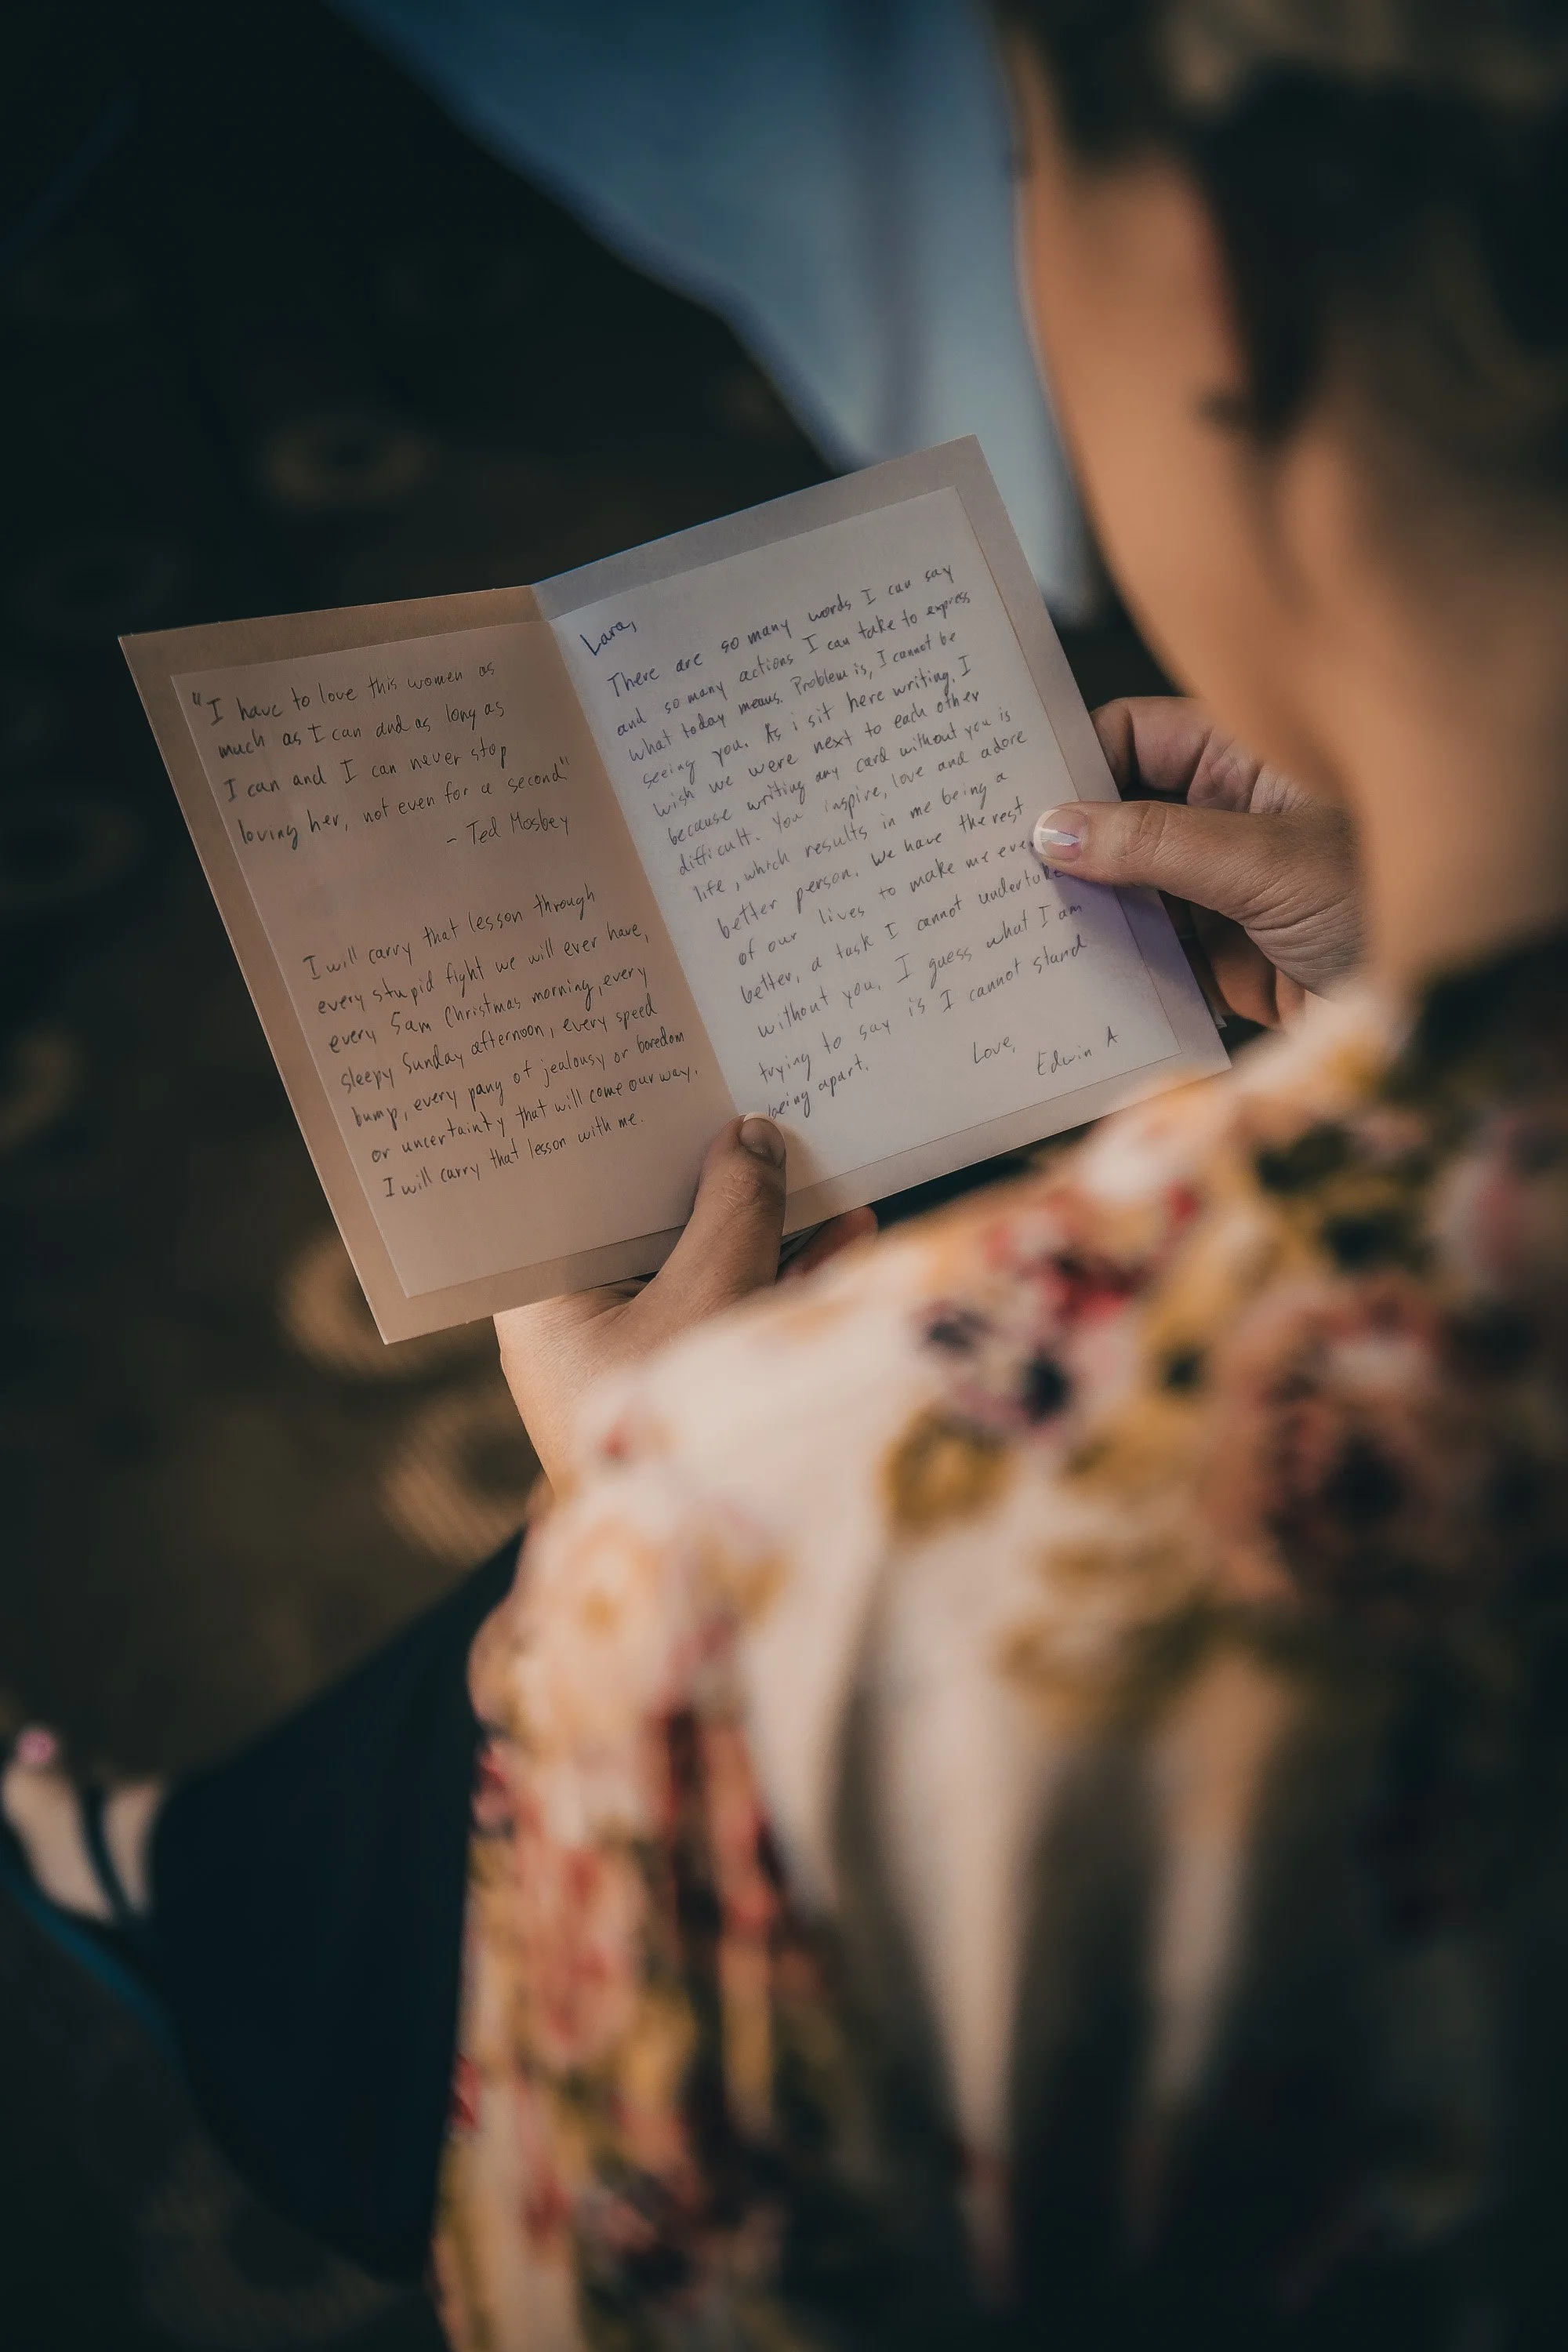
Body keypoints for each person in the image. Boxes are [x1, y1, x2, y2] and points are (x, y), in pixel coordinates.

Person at [6, 0, 1568, 2343]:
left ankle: (190, 1906)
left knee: (454, 1772)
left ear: (1214, 287)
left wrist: (632, 1490)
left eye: (1032, 171)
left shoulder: (763, 1539)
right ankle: (196, 1879)